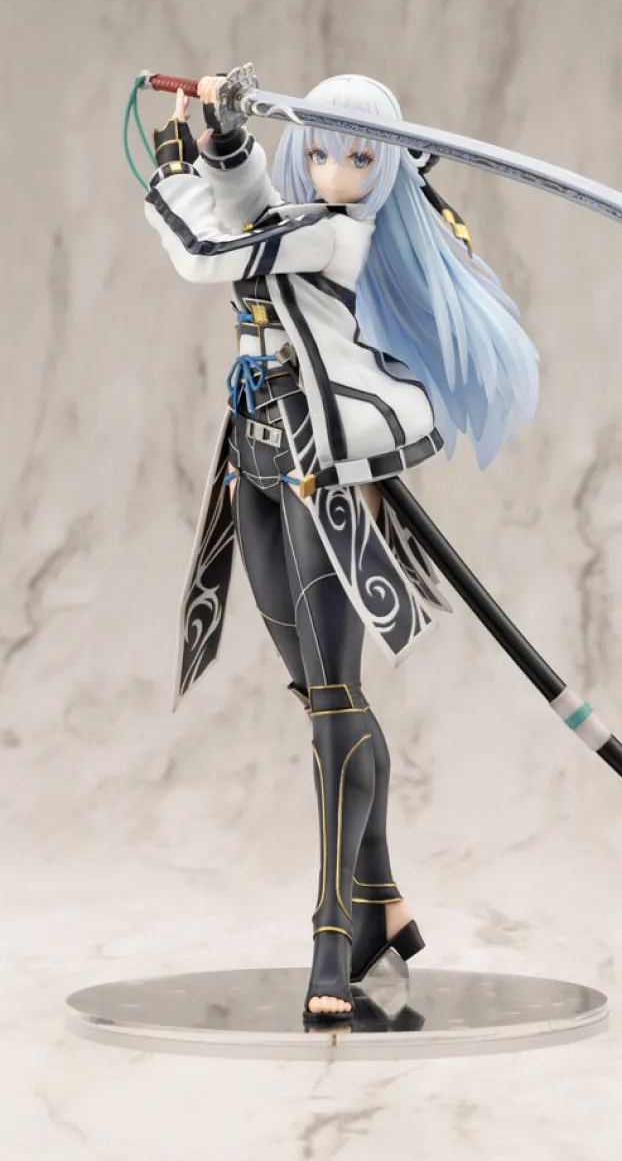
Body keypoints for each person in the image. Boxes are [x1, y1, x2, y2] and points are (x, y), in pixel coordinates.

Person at [144, 72, 539, 1024]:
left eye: (360, 158)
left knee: (333, 699)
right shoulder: (294, 214)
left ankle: (332, 931)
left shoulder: (335, 234)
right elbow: (246, 212)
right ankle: (382, 903)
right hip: (252, 455)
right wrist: (223, 145)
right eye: (318, 150)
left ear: (385, 170)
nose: (333, 171)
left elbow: (209, 249)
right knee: (320, 696)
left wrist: (175, 168)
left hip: (320, 470)